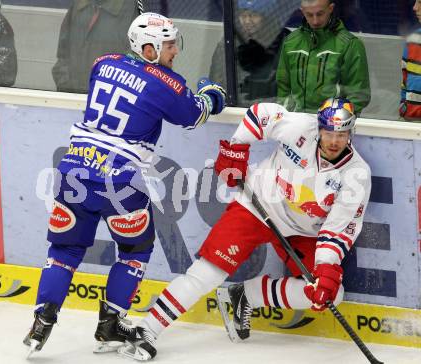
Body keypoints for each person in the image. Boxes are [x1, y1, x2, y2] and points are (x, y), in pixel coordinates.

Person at [23, 12, 226, 356]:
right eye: (169, 45)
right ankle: (110, 324)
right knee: (135, 251)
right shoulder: (167, 83)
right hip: (120, 183)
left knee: (64, 251)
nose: (175, 51)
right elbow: (194, 114)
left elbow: (127, 88)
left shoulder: (103, 63)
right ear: (148, 49)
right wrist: (211, 94)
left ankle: (41, 321)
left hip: (74, 171)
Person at [121, 97, 371, 361]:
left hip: (303, 231)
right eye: (329, 133)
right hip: (258, 205)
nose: (334, 141)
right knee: (208, 273)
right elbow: (260, 114)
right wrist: (237, 147)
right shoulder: (300, 128)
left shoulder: (357, 174)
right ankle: (147, 329)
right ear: (319, 129)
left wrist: (326, 266)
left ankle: (245, 295)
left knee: (330, 293)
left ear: (350, 133)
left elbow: (337, 229)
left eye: (341, 134)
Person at [276, 0, 371, 114]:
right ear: (302, 12)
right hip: (296, 122)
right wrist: (286, 117)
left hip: (333, 126)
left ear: (330, 9)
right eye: (309, 15)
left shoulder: (350, 45)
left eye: (320, 14)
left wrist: (335, 121)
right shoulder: (290, 42)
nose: (315, 21)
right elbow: (283, 87)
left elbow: (358, 93)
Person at [209, 0, 298, 107]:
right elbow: (215, 83)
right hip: (235, 112)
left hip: (273, 114)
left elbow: (295, 92)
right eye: (243, 15)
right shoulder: (228, 43)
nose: (247, 21)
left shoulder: (289, 42)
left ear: (267, 16)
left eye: (253, 15)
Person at [52, 0, 138, 93]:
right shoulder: (79, 5)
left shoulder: (131, 9)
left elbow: (134, 65)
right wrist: (65, 85)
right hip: (72, 97)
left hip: (106, 100)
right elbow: (63, 55)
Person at [399, 0, 421, 121]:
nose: (414, 8)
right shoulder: (413, 41)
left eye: (420, 3)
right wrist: (404, 109)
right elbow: (404, 83)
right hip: (411, 125)